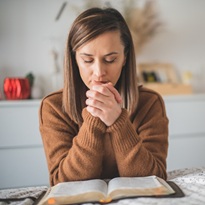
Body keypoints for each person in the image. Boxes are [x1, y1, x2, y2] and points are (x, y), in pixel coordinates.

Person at [39, 7, 169, 186]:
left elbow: (155, 178)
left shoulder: (149, 103)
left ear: (125, 58)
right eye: (87, 60)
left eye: (110, 59)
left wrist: (118, 122)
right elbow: (62, 182)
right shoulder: (53, 107)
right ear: (74, 59)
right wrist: (94, 116)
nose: (99, 72)